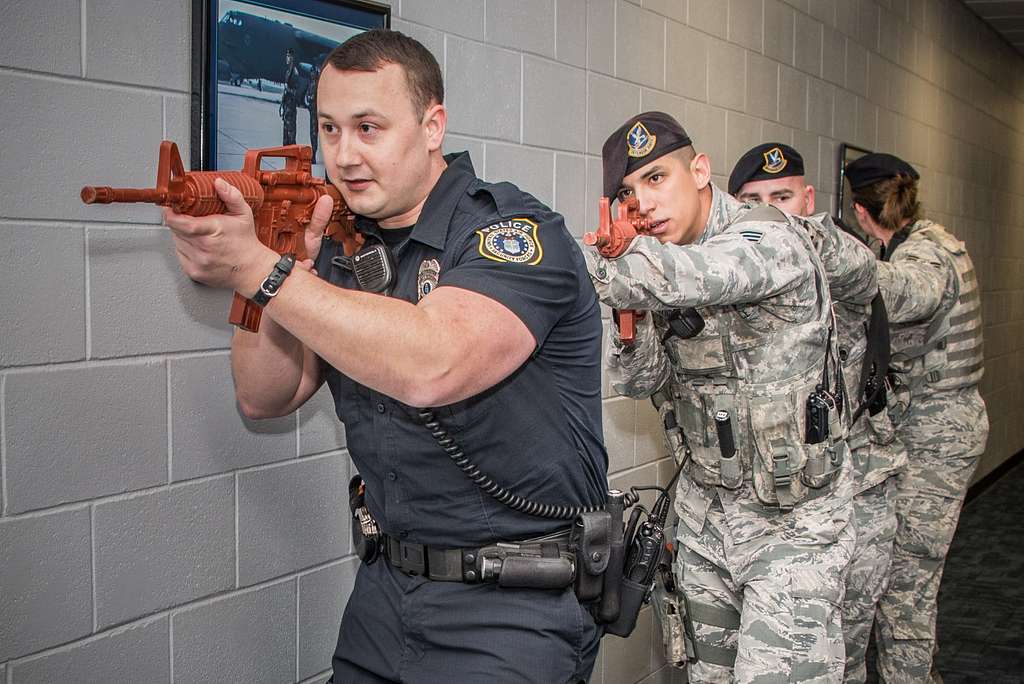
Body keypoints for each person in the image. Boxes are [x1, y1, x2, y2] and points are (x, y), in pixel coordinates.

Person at [164, 29, 606, 683]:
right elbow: (264, 395)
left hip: (514, 608)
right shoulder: (342, 249)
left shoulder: (510, 233)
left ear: (433, 126)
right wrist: (276, 271)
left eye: (369, 127)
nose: (344, 155)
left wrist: (265, 272)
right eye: (331, 129)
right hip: (386, 595)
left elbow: (436, 363)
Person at [588, 112, 872, 682]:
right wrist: (633, 321)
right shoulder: (653, 260)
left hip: (795, 532)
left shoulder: (766, 235)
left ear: (699, 171)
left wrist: (588, 263)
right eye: (627, 192)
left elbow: (708, 274)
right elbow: (641, 380)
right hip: (707, 524)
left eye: (656, 178)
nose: (643, 203)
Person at [731, 143, 908, 683]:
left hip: (856, 489)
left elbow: (864, 277)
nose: (769, 213)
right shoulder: (734, 279)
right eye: (752, 201)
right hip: (775, 505)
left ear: (808, 200)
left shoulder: (844, 268)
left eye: (782, 198)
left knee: (842, 654)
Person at [845, 153, 988, 683]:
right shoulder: (925, 240)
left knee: (907, 587)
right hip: (926, 427)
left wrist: (847, 270)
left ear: (862, 212)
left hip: (937, 433)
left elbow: (914, 293)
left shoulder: (925, 255)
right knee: (897, 581)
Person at [305, 55, 324, 162]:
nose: (311, 73)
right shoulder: (312, 82)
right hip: (312, 110)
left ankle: (314, 155)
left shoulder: (319, 82)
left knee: (314, 133)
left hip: (316, 111)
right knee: (312, 133)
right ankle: (313, 154)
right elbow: (309, 93)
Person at [281, 47, 300, 146]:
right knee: (285, 137)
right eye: (286, 56)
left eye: (288, 56)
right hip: (286, 107)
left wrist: (287, 89)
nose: (287, 58)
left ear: (292, 58)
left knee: (291, 134)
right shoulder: (288, 71)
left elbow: (296, 92)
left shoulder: (294, 72)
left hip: (291, 107)